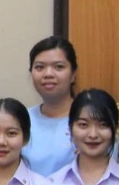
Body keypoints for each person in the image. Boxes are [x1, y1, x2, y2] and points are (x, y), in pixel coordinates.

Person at [22, 36, 78, 177]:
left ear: (73, 74)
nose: (48, 74)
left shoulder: (91, 121)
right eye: (40, 67)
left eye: (58, 67)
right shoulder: (21, 119)